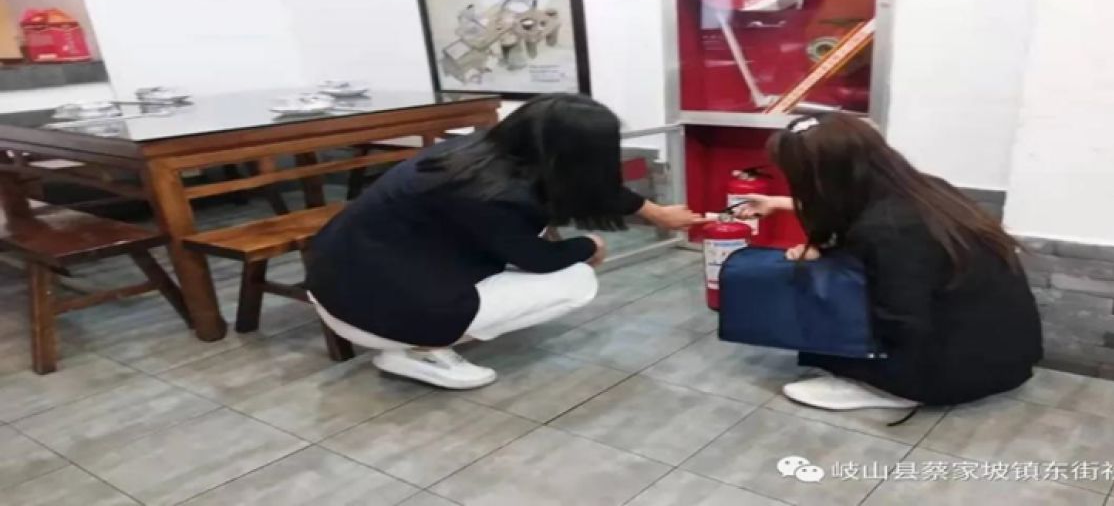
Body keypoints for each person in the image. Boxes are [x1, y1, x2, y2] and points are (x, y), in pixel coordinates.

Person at [306, 94, 702, 389]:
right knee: (576, 280)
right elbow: (541, 259)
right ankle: (418, 349)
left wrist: (657, 213)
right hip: (370, 310)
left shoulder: (474, 151)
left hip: (332, 276)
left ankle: (418, 334)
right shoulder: (497, 195)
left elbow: (590, 185)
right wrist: (588, 246)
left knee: (521, 249)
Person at [736, 114, 1043, 410]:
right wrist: (784, 209)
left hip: (960, 373)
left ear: (822, 176)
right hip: (1004, 351)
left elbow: (901, 319)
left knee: (821, 303)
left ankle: (896, 388)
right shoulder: (925, 189)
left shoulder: (889, 229)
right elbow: (850, 214)